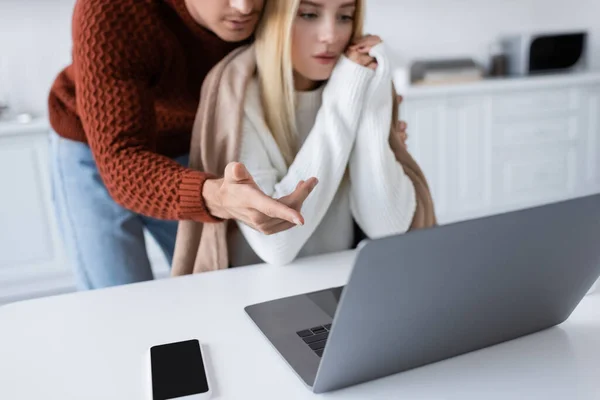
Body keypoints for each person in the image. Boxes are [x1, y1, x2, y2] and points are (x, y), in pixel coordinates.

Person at [48, 0, 410, 289]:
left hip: (196, 141)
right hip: (96, 150)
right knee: (118, 294)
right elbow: (122, 160)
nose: (243, 7)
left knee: (205, 277)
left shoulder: (269, 16)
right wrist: (215, 196)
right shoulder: (112, 10)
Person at [172, 0, 435, 273]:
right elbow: (277, 246)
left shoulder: (355, 78)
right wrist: (343, 101)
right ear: (276, 17)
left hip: (339, 279)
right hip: (257, 289)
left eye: (345, 16)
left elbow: (388, 228)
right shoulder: (239, 96)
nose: (331, 35)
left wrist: (369, 94)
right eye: (309, 14)